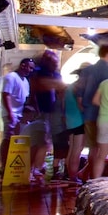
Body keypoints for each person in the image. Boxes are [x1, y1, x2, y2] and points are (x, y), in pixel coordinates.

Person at [78, 44, 108, 179]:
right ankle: (96, 176)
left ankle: (88, 175)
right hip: (107, 115)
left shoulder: (86, 71)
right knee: (106, 148)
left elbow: (79, 93)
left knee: (92, 147)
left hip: (89, 113)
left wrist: (83, 109)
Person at [25, 50, 65, 183]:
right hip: (46, 112)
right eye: (54, 61)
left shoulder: (48, 74)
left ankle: (35, 168)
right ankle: (35, 169)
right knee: (43, 142)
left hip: (47, 111)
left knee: (43, 142)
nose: (56, 64)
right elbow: (39, 89)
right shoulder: (42, 74)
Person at [0, 57, 36, 175]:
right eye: (29, 67)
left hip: (20, 115)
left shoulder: (25, 81)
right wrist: (10, 113)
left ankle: (13, 166)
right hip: (11, 114)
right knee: (8, 139)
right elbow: (6, 95)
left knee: (17, 141)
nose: (31, 70)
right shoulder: (11, 77)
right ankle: (4, 166)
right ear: (22, 65)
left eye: (32, 69)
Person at [62, 63, 90, 182]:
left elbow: (63, 105)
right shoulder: (80, 88)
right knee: (77, 150)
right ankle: (73, 177)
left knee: (72, 148)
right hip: (79, 121)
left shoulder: (70, 87)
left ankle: (69, 174)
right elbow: (82, 106)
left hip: (70, 121)